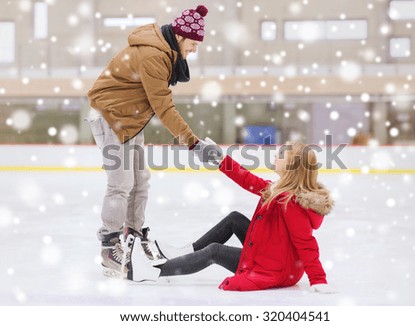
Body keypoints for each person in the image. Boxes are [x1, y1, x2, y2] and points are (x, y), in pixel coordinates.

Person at [85, 5, 219, 279]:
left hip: (129, 118)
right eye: (193, 44)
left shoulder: (163, 51)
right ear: (180, 37)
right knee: (120, 183)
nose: (193, 51)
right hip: (110, 116)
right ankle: (110, 247)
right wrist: (193, 144)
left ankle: (131, 237)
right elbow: (164, 108)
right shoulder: (153, 56)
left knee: (140, 181)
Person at [128, 140, 337, 293]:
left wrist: (318, 279)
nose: (276, 154)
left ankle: (154, 271)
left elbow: (305, 242)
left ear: (292, 168)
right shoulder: (277, 191)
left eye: (282, 154)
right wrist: (221, 159)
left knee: (214, 251)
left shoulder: (291, 203)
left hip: (274, 269)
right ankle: (184, 252)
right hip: (274, 257)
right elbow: (247, 179)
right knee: (235, 219)